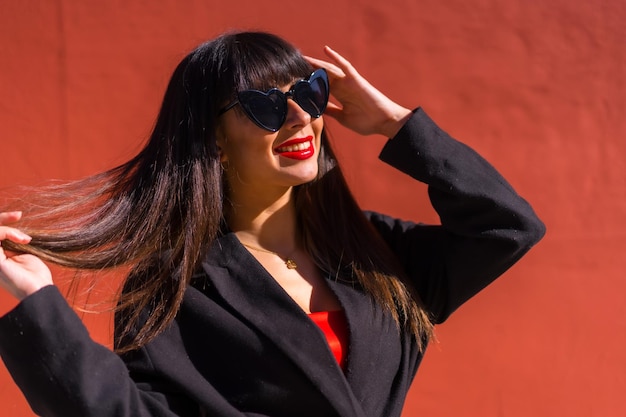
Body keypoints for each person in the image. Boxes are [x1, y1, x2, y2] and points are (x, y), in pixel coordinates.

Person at [0, 31, 545, 417]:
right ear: (214, 139)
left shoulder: (375, 253)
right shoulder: (177, 289)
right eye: (265, 105)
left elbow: (506, 227)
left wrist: (395, 125)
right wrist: (37, 299)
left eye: (309, 93)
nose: (300, 116)